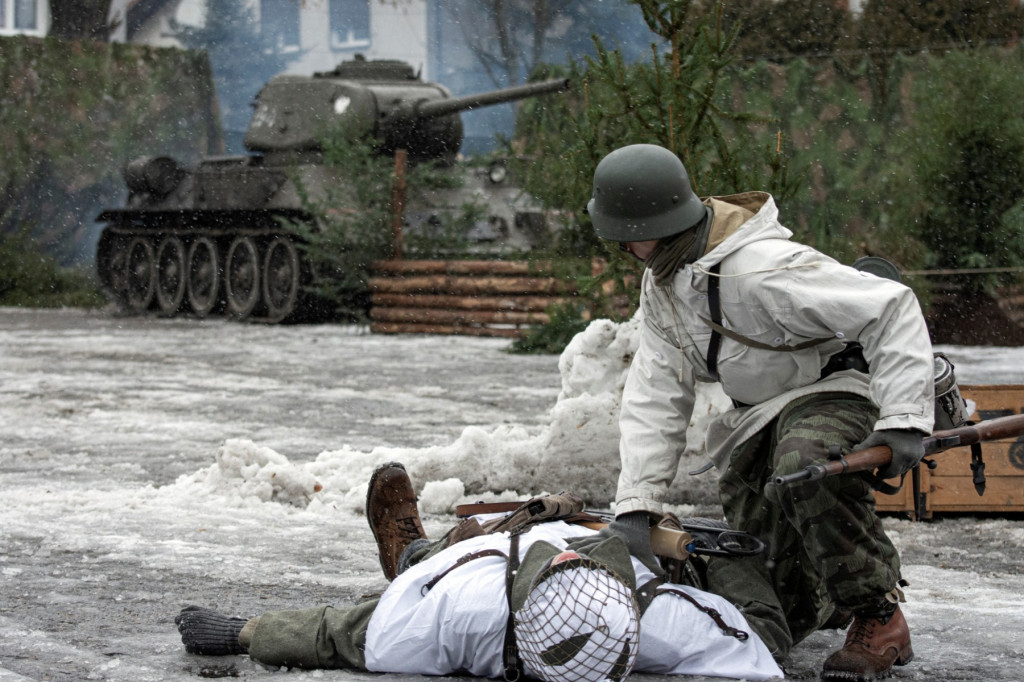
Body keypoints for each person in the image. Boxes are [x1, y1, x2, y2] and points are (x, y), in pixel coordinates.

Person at [584, 143, 934, 681]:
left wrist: (905, 418)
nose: (623, 245)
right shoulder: (665, 283)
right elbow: (656, 392)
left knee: (804, 461)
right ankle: (829, 597)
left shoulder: (762, 269)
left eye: (626, 232)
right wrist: (638, 503)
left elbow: (890, 305)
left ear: (658, 223)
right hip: (758, 414)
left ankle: (878, 614)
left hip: (834, 390)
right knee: (776, 612)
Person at [177, 462, 783, 681]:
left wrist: (241, 633)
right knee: (746, 589)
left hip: (479, 564)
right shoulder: (670, 623)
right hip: (633, 579)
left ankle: (408, 553)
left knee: (440, 560)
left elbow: (338, 633)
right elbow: (760, 640)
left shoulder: (462, 613)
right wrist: (701, 552)